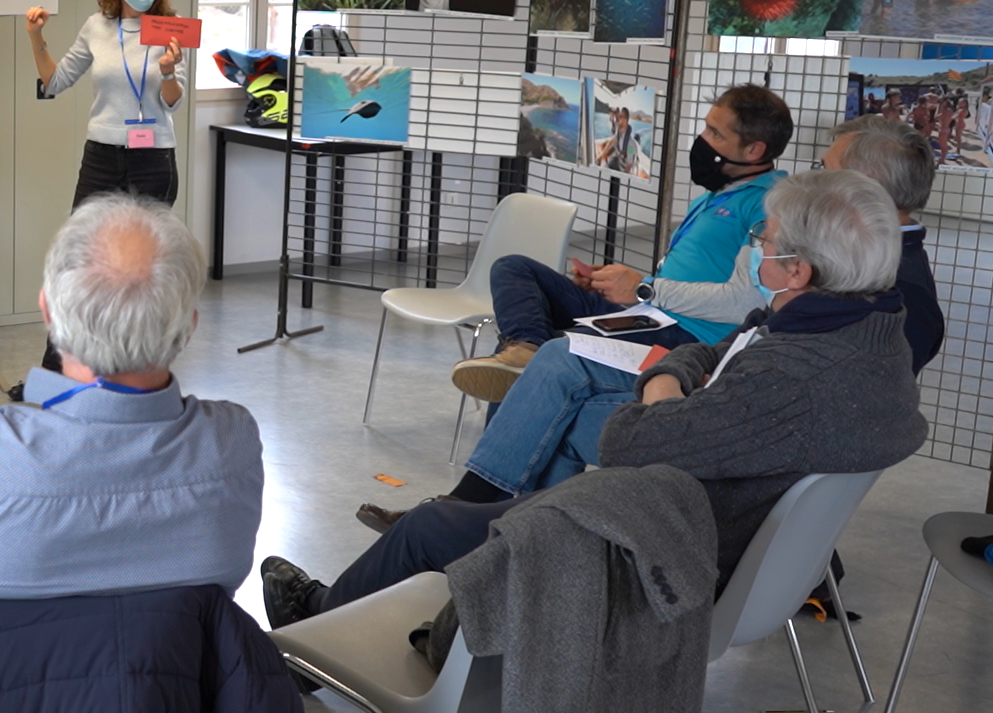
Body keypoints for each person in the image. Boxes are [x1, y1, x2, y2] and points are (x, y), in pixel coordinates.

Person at [265, 169, 927, 629]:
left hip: (669, 550)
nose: (755, 249)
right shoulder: (863, 333)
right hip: (719, 528)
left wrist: (662, 382)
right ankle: (476, 596)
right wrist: (678, 373)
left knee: (431, 526)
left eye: (764, 243)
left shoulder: (792, 372)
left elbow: (636, 439)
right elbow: (718, 352)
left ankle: (312, 641)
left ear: (797, 270)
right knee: (564, 392)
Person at [357, 114, 946, 532]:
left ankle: (471, 525)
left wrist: (667, 375)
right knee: (555, 362)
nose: (809, 176)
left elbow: (815, 415)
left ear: (862, 191)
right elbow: (756, 333)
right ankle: (486, 529)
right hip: (704, 395)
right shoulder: (855, 264)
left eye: (825, 168)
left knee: (551, 392)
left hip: (727, 463)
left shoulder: (895, 289)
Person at [0, 193, 262, 598]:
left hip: (18, 663)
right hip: (187, 662)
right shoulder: (233, 443)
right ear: (189, 326)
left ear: (47, 309)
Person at [450, 84, 792, 403]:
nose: (701, 139)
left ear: (754, 150)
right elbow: (693, 275)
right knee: (515, 269)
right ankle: (524, 350)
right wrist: (619, 284)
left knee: (547, 356)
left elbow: (745, 301)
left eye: (715, 133)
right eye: (705, 127)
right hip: (645, 314)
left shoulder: (769, 206)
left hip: (685, 337)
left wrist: (644, 289)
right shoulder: (721, 192)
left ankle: (524, 365)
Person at [10, 0, 185, 398]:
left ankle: (136, 376)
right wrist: (34, 35)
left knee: (146, 271)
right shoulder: (96, 27)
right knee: (79, 264)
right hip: (103, 156)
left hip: (154, 159)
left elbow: (174, 102)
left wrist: (169, 71)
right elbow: (54, 81)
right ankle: (53, 377)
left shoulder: (170, 28)